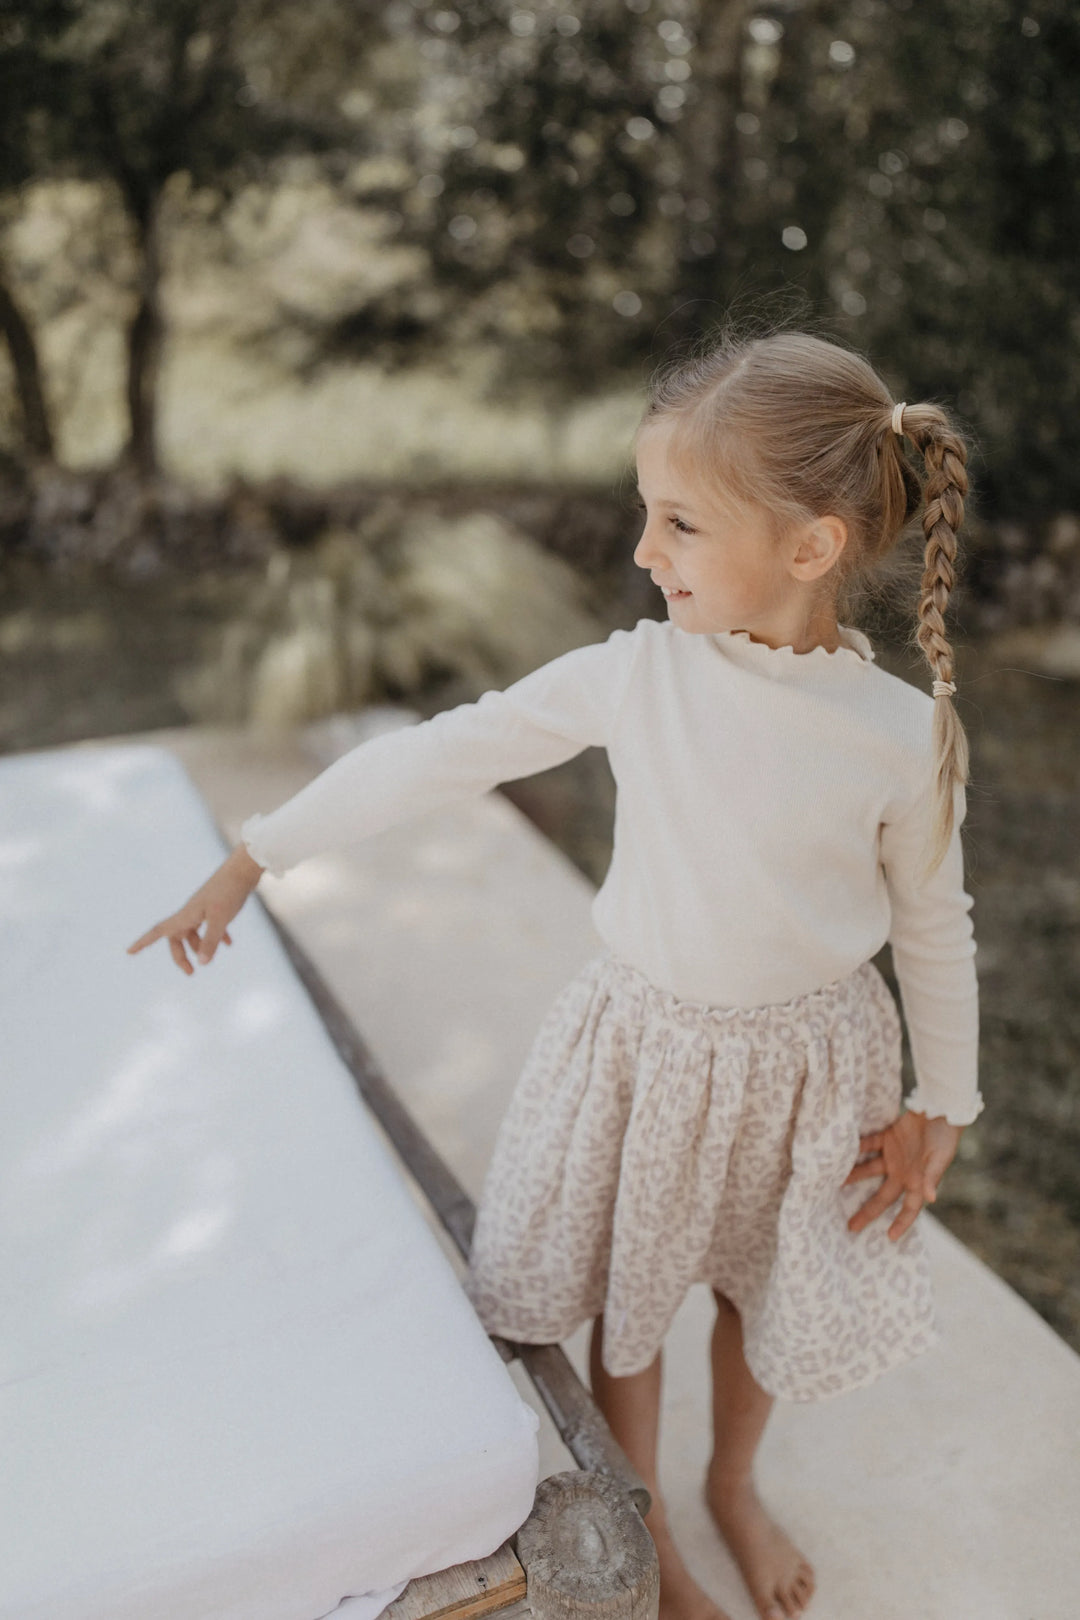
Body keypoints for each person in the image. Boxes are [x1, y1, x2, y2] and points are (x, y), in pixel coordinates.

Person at [128, 329, 981, 1620]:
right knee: (632, 1310)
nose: (645, 553)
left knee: (764, 1296)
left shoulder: (899, 736)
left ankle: (732, 1487)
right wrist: (260, 850)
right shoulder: (638, 677)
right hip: (652, 1050)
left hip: (814, 1072)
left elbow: (935, 924)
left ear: (807, 550)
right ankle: (652, 1539)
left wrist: (944, 1105)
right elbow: (445, 754)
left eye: (680, 524)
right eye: (649, 516)